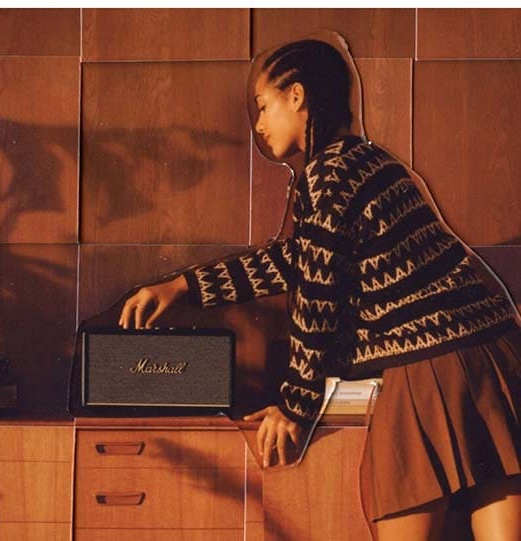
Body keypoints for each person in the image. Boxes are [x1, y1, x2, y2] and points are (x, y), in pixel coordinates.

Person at [117, 36, 521, 540]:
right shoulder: (371, 162)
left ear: (297, 96)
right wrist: (183, 286)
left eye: (264, 106)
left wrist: (295, 408)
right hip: (495, 352)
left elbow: (317, 298)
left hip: (433, 365)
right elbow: (301, 259)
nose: (258, 125)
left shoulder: (326, 176)